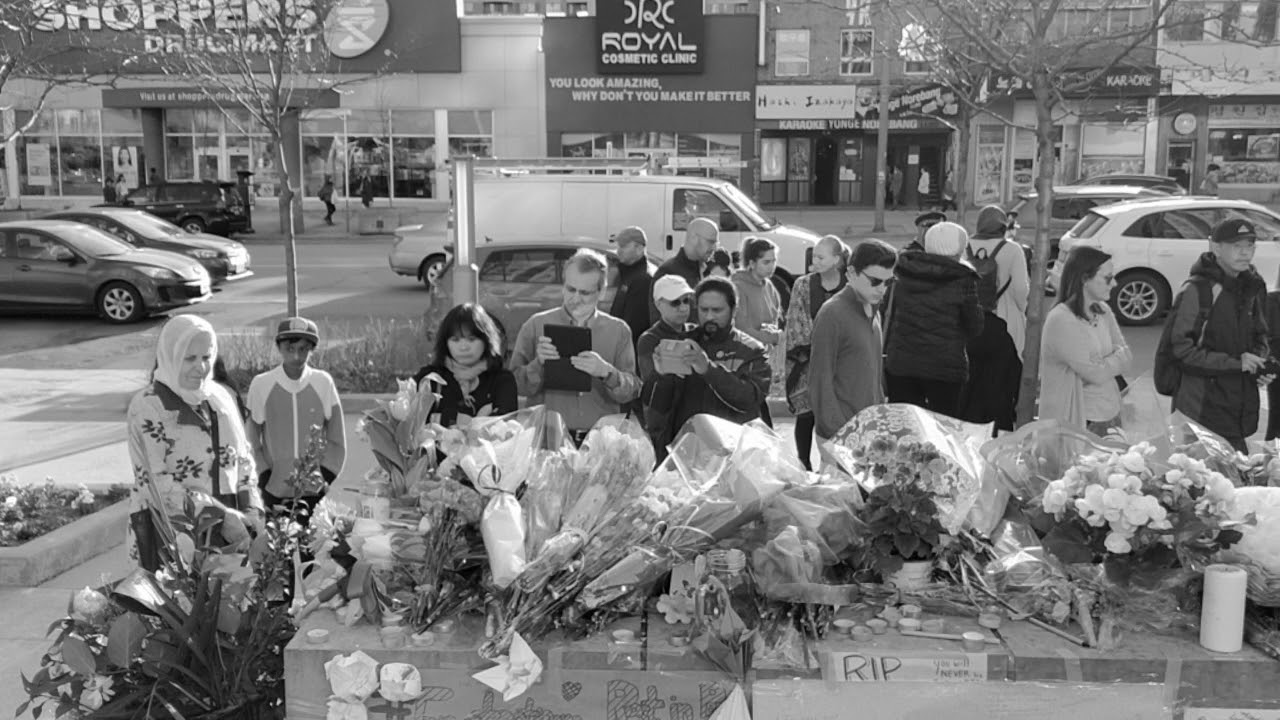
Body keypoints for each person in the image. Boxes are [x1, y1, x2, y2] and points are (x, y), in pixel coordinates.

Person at [126, 316, 265, 570]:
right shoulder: (148, 405)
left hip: (232, 534)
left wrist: (253, 511)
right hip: (174, 535)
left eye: (206, 357)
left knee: (233, 606)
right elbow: (154, 482)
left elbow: (243, 458)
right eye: (190, 358)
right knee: (181, 606)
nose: (201, 367)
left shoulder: (220, 397)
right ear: (170, 355)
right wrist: (219, 517)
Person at [510, 248, 642, 443]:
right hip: (548, 440)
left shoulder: (618, 330)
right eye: (571, 289)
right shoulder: (536, 325)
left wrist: (607, 372)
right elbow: (515, 387)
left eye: (585, 293)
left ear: (602, 292)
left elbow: (633, 391)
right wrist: (538, 364)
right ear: (563, 286)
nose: (576, 298)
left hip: (598, 443)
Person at [1169, 218, 1270, 451]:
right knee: (1205, 484)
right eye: (1237, 246)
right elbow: (1181, 351)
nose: (1245, 253)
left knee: (1238, 480)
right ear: (1215, 247)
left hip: (1238, 405)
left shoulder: (1253, 286)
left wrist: (1259, 365)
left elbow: (1261, 335)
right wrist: (1237, 363)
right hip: (1201, 411)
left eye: (1250, 246)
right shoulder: (1197, 290)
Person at [246, 317, 346, 517]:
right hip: (272, 489)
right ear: (279, 348)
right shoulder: (261, 384)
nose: (296, 356)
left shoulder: (322, 382)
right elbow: (250, 438)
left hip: (313, 491)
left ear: (312, 349)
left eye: (303, 349)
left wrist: (325, 476)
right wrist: (263, 476)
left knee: (313, 545)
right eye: (289, 349)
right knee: (275, 545)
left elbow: (337, 439)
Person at [884, 222, 984, 418]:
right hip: (945, 367)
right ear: (957, 249)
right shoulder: (963, 279)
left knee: (906, 430)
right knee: (942, 431)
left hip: (902, 363)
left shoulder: (902, 270)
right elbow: (974, 327)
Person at [649, 276, 771, 432]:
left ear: (734, 310)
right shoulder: (683, 344)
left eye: (717, 310)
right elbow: (657, 409)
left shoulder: (752, 350)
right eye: (704, 310)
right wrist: (660, 376)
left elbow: (750, 400)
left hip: (732, 445)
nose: (709, 316)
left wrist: (708, 369)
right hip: (686, 445)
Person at [810, 239, 898, 441]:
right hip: (840, 438)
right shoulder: (832, 314)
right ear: (851, 273)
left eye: (888, 282)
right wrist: (842, 436)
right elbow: (819, 383)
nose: (882, 289)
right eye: (875, 281)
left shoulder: (874, 310)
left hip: (870, 434)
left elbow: (873, 378)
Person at [1039, 246, 1133, 434]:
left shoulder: (1103, 310)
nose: (1114, 283)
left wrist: (1103, 364)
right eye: (1107, 278)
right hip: (1077, 422)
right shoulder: (1062, 319)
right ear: (1084, 279)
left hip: (1110, 413)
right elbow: (1095, 373)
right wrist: (1114, 359)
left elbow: (1128, 357)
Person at [784, 235, 848, 469]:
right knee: (806, 413)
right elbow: (796, 321)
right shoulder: (803, 284)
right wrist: (819, 347)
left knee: (837, 414)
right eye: (814, 257)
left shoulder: (849, 284)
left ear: (837, 259)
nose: (816, 262)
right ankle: (803, 462)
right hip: (807, 360)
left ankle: (836, 466)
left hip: (842, 361)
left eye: (821, 257)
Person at [413, 303, 518, 427]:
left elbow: (504, 424)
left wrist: (441, 419)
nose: (463, 347)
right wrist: (465, 420)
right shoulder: (430, 378)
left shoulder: (502, 380)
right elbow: (414, 422)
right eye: (455, 340)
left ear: (486, 340)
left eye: (471, 339)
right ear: (445, 343)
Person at [637, 275, 696, 458]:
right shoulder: (650, 340)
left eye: (686, 300)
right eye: (675, 302)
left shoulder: (697, 332)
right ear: (658, 304)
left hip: (696, 419)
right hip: (665, 422)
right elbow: (651, 385)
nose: (683, 307)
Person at [969, 204, 1030, 357]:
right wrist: (1023, 311)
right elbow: (1021, 289)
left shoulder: (965, 246)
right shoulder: (1013, 249)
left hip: (971, 318)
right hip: (1005, 316)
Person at [650, 216, 718, 323]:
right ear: (693, 238)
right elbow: (658, 322)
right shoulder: (668, 272)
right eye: (710, 242)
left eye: (716, 243)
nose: (714, 248)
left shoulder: (709, 270)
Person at [610, 226, 653, 346]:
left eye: (623, 246)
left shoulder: (642, 279)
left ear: (639, 248)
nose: (618, 250)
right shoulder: (629, 274)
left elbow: (634, 325)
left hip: (630, 348)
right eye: (618, 246)